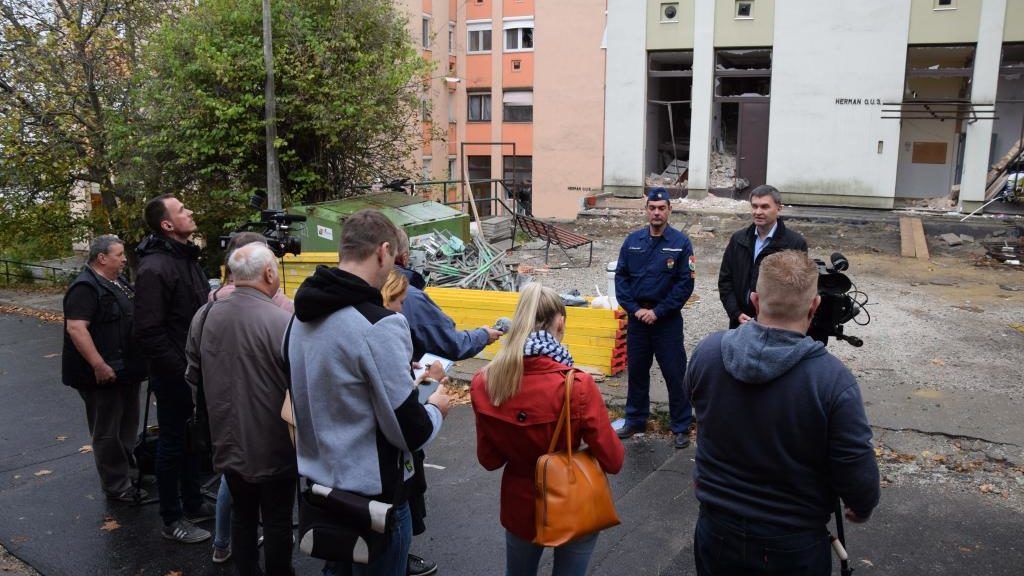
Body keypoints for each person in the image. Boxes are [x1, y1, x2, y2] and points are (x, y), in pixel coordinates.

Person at [684, 251, 880, 576]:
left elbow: (698, 407)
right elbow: (855, 466)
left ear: (754, 300)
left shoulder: (707, 354)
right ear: (814, 306)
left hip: (716, 531)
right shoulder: (832, 381)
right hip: (793, 545)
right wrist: (862, 506)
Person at [289, 209, 450, 576]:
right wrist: (437, 406)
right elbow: (409, 430)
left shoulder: (299, 318)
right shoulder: (380, 325)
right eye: (393, 257)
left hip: (322, 490)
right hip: (374, 499)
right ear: (382, 251)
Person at [470, 283, 624, 576]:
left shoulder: (485, 382)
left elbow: (489, 460)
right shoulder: (577, 385)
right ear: (560, 322)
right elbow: (614, 461)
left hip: (520, 506)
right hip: (573, 500)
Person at [392, 228, 502, 576]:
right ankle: (397, 557)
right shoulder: (409, 297)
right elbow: (450, 341)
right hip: (405, 406)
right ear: (400, 256)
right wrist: (485, 334)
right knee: (403, 480)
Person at [185, 243, 297, 576]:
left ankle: (246, 570)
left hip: (224, 438)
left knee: (242, 513)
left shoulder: (204, 315)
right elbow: (300, 384)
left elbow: (192, 373)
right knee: (277, 518)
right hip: (274, 442)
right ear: (268, 273)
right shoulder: (282, 321)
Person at [134, 194, 214, 544]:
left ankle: (194, 502)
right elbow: (148, 331)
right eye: (182, 209)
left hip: (195, 370)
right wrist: (183, 373)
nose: (190, 211)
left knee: (193, 440)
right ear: (167, 225)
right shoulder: (154, 268)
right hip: (175, 376)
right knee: (172, 443)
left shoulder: (186, 259)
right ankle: (172, 518)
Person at [62, 235, 147, 502]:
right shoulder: (85, 288)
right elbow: (76, 328)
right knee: (108, 430)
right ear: (102, 258)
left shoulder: (117, 282)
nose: (124, 259)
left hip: (125, 370)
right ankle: (117, 485)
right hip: (101, 375)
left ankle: (129, 473)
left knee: (127, 424)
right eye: (119, 255)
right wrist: (98, 364)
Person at [614, 187, 695, 449]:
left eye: (662, 208)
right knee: (637, 372)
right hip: (638, 319)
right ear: (646, 210)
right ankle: (635, 419)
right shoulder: (632, 241)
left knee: (675, 373)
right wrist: (635, 310)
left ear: (669, 210)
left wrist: (658, 312)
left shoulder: (681, 243)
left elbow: (685, 285)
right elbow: (621, 279)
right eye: (652, 207)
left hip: (666, 321)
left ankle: (681, 425)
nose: (657, 212)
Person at [717, 184, 807, 328]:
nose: (758, 212)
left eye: (765, 207)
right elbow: (725, 281)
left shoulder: (794, 243)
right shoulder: (738, 239)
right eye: (754, 206)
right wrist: (735, 312)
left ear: (779, 208)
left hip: (775, 326)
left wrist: (773, 318)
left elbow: (798, 289)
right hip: (740, 322)